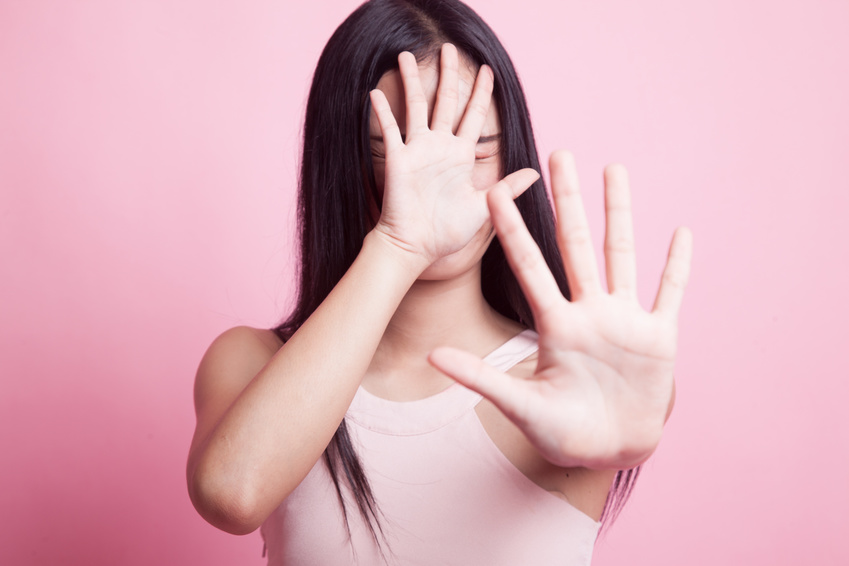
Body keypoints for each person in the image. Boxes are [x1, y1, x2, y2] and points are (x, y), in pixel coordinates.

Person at [186, 0, 693, 564]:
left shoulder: (564, 381)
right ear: (343, 160)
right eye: (402, 147)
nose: (446, 183)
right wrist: (401, 243)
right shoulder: (255, 363)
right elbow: (232, 494)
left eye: (476, 145)